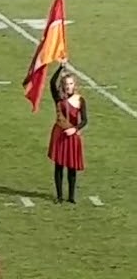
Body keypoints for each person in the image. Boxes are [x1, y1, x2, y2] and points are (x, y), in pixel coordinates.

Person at [47, 63, 87, 204]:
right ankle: (59, 196)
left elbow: (85, 120)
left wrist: (74, 129)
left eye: (71, 83)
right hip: (60, 134)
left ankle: (71, 196)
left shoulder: (80, 100)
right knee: (59, 166)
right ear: (63, 85)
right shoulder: (59, 98)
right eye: (66, 84)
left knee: (72, 167)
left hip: (73, 136)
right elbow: (52, 82)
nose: (68, 86)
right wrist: (60, 67)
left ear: (74, 84)